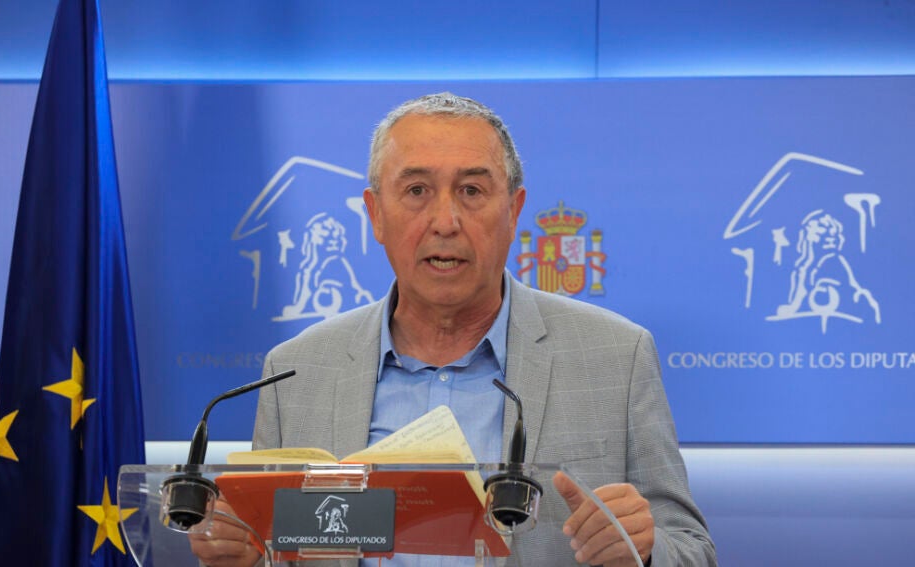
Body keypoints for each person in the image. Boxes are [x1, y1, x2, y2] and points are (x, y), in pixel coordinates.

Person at [190, 93, 717, 566]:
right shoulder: (295, 372)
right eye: (417, 190)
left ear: (513, 211)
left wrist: (646, 552)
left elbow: (692, 548)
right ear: (375, 214)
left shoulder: (616, 357)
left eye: (471, 190)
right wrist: (243, 559)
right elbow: (274, 549)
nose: (445, 221)